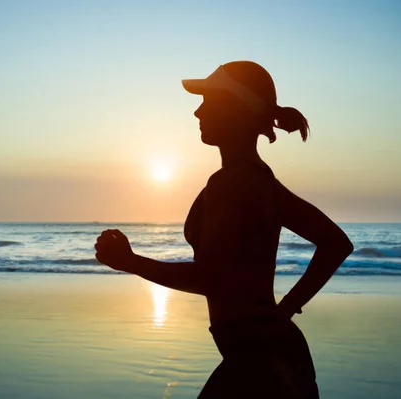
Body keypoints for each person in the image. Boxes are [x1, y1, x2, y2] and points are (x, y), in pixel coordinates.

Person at [94, 61, 354, 398]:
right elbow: (335, 243)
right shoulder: (261, 180)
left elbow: (212, 279)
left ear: (235, 109)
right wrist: (283, 310)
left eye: (208, 101)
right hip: (271, 357)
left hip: (260, 365)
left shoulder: (233, 183)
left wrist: (131, 263)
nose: (197, 112)